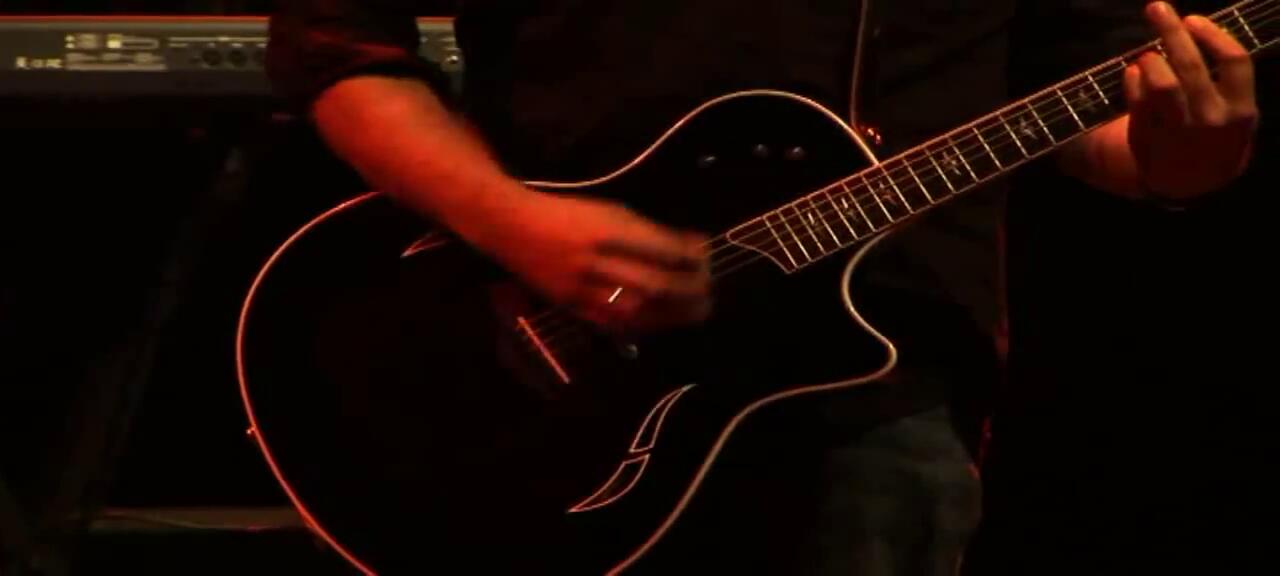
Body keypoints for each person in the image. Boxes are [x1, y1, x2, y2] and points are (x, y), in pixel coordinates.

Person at [266, 0, 1260, 573]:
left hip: (874, 381)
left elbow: (1103, 112)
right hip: (518, 361)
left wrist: (1193, 149)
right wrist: (513, 222)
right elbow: (334, 47)